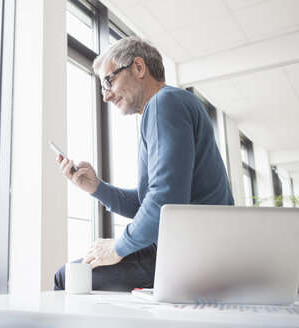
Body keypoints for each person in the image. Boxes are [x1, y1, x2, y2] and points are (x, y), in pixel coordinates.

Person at [54, 36, 234, 291]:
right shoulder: (173, 104)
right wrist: (97, 188)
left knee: (66, 277)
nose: (106, 96)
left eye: (109, 81)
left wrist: (117, 248)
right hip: (200, 248)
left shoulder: (163, 104)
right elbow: (149, 202)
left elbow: (164, 200)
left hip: (190, 253)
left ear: (139, 67)